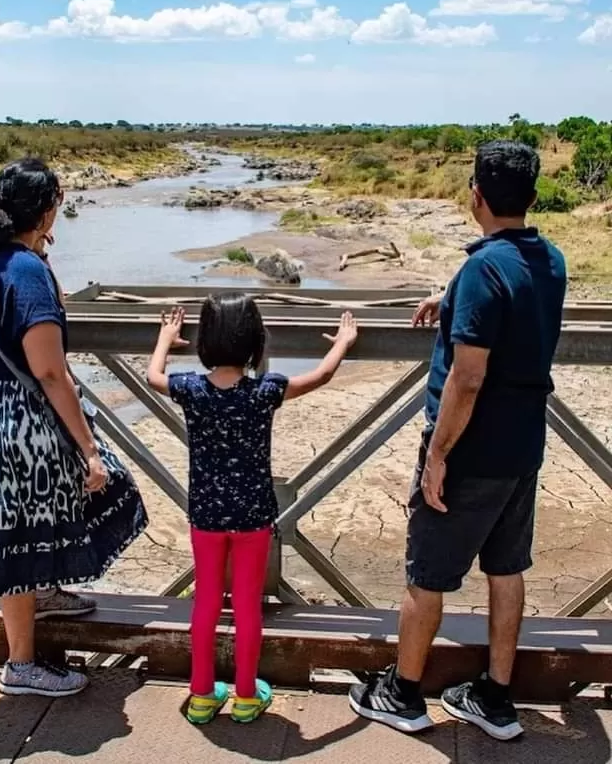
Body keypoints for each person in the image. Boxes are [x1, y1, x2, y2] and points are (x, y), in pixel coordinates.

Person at [349, 140, 567, 741]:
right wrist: (451, 300)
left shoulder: (482, 268)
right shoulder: (550, 259)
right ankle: (496, 699)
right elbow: (515, 294)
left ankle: (404, 693)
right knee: (506, 569)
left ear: (476, 195)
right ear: (531, 195)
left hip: (470, 451)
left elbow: (467, 377)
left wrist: (437, 457)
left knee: (427, 576)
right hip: (523, 445)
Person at [0, 157, 148, 698]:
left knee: (19, 519)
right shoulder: (26, 271)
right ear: (46, 211)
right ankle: (20, 664)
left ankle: (42, 590)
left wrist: (41, 250)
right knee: (41, 516)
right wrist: (88, 447)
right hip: (21, 418)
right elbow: (48, 369)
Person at [147, 294, 358, 725]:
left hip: (206, 515)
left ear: (205, 341)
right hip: (253, 517)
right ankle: (246, 695)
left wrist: (165, 340)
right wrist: (344, 341)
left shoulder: (191, 389)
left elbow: (154, 377)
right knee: (246, 605)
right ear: (255, 343)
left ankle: (202, 694)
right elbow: (322, 374)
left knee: (206, 602)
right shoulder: (266, 391)